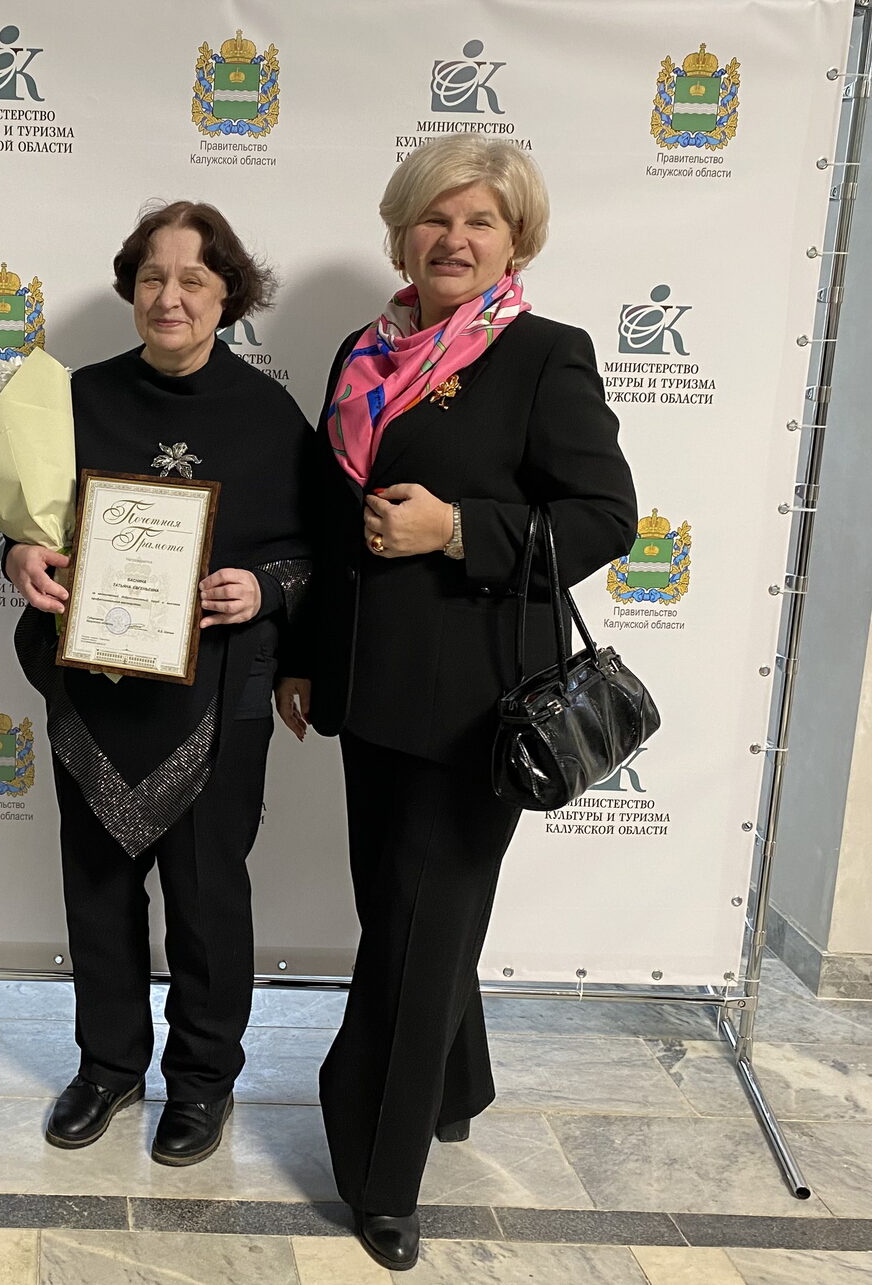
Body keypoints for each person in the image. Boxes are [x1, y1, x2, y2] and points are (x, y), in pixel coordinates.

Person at [274, 134, 638, 1270]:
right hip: (367, 691)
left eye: (481, 221)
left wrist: (460, 529)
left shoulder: (546, 355)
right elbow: (328, 525)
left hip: (479, 707)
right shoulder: (363, 352)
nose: (454, 238)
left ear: (515, 241)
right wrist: (303, 656)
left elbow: (607, 517)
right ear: (402, 234)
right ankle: (456, 1083)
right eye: (435, 217)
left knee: (418, 929)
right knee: (407, 913)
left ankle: (381, 1175)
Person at [6, 201, 313, 1168]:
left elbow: (316, 551)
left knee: (207, 899)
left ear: (229, 296)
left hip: (219, 695)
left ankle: (203, 1080)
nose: (169, 296)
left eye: (192, 279)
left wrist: (264, 585)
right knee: (97, 891)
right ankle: (107, 1067)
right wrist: (18, 553)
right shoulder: (75, 398)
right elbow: (21, 520)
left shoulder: (269, 413)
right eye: (151, 277)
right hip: (97, 690)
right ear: (130, 288)